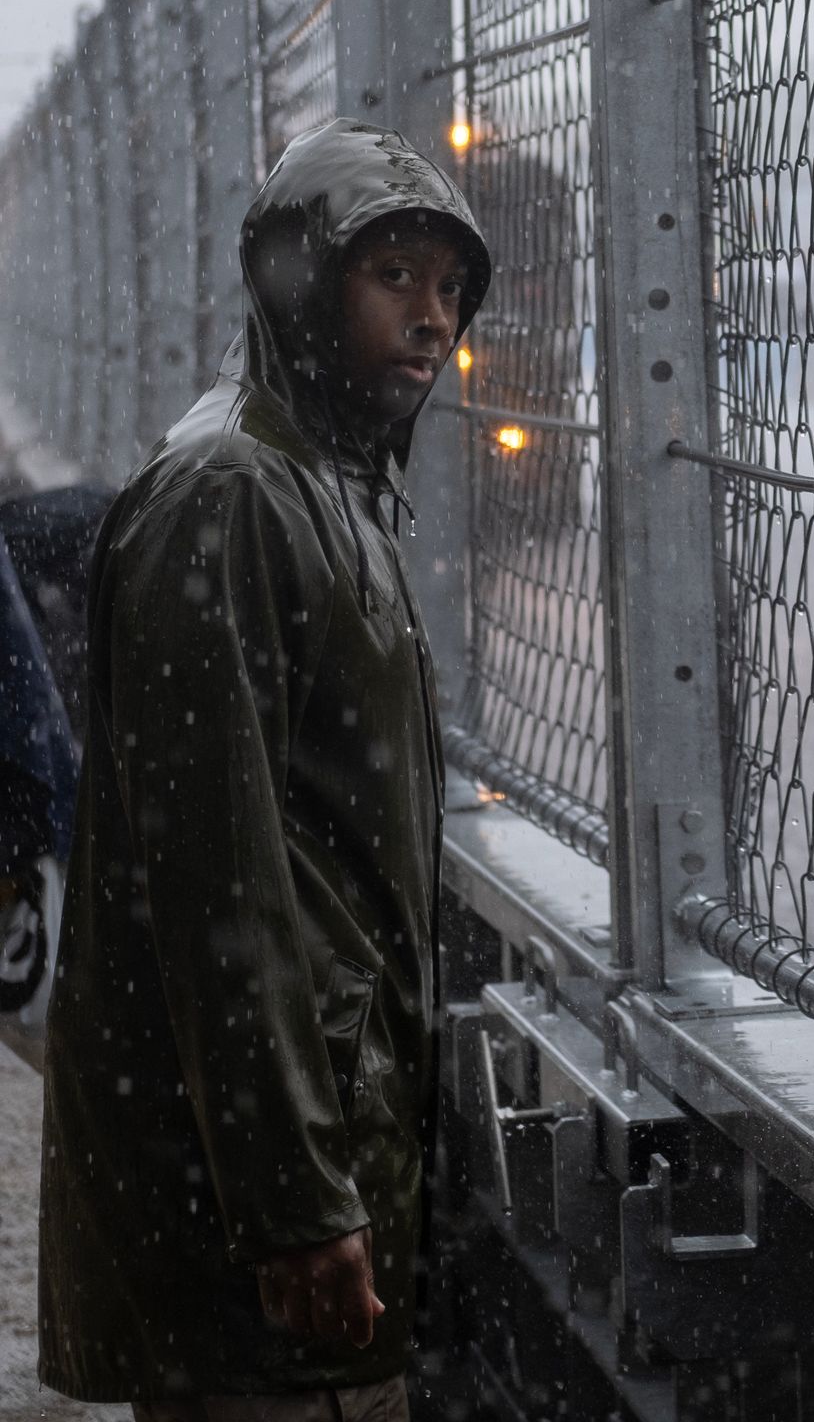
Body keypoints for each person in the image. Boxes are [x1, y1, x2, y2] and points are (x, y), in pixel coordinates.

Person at [38, 118, 491, 1420]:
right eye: (393, 274)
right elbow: (217, 884)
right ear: (301, 280)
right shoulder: (232, 493)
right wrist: (294, 1204)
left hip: (301, 1146)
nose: (432, 319)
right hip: (253, 1199)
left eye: (451, 287)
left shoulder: (315, 483)